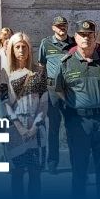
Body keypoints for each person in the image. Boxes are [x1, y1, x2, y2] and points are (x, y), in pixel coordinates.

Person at [54, 20, 100, 199]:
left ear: (95, 37)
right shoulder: (66, 63)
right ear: (75, 37)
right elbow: (59, 90)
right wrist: (74, 105)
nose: (86, 38)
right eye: (82, 35)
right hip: (78, 122)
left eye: (90, 35)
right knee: (79, 168)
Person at [4, 32, 47, 194]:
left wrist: (34, 128)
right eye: (17, 47)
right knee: (17, 174)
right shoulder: (6, 73)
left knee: (35, 173)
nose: (21, 50)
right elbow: (6, 104)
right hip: (15, 130)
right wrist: (21, 129)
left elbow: (44, 103)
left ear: (29, 49)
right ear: (12, 50)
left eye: (24, 47)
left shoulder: (39, 72)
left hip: (37, 128)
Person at [37, 15, 73, 173]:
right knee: (53, 127)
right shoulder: (46, 43)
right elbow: (41, 66)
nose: (61, 28)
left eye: (64, 25)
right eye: (58, 26)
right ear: (53, 28)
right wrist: (41, 91)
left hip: (71, 90)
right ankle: (52, 161)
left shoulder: (74, 43)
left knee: (73, 126)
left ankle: (76, 160)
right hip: (52, 91)